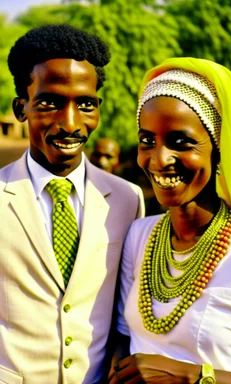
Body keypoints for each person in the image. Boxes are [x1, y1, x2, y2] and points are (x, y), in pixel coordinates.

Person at [0, 24, 145, 384]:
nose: (70, 123)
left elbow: (125, 307)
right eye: (50, 103)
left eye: (85, 105)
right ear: (22, 108)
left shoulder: (127, 199)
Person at [108, 57, 231, 384]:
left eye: (181, 142)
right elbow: (122, 337)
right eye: (148, 141)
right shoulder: (139, 234)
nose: (159, 160)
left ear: (219, 149)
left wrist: (189, 376)